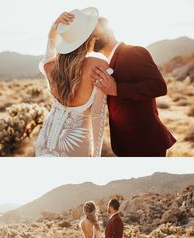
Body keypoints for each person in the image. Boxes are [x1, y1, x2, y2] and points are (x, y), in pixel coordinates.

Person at [91, 17, 176, 156]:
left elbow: (159, 86)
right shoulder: (106, 64)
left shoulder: (133, 52)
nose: (93, 36)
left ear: (110, 31)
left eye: (95, 31)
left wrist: (117, 89)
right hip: (125, 145)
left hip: (146, 142)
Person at [35, 9, 113, 157]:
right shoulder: (98, 65)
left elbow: (50, 47)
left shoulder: (50, 66)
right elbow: (98, 115)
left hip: (44, 143)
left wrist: (54, 27)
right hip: (75, 148)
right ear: (90, 38)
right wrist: (95, 157)